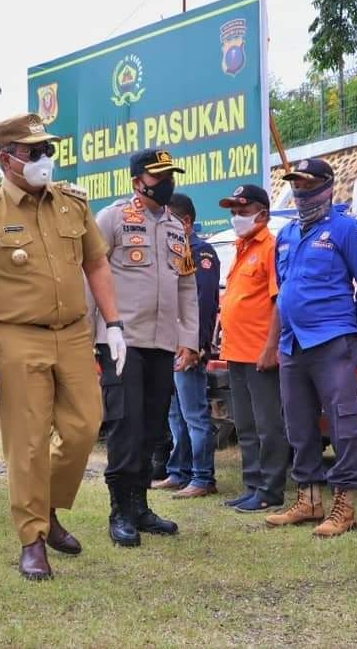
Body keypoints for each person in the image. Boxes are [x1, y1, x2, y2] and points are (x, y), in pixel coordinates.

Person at [0, 113, 124, 581]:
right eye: (33, 152)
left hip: (72, 333)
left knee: (85, 426)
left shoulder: (71, 203)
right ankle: (32, 538)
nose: (44, 159)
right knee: (27, 443)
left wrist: (114, 324)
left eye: (48, 150)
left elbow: (97, 266)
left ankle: (46, 509)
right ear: (6, 159)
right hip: (15, 336)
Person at [263, 158, 357, 538]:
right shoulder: (284, 235)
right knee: (297, 421)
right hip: (293, 342)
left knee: (343, 422)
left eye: (308, 184)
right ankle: (309, 499)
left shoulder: (347, 229)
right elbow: (284, 292)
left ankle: (344, 505)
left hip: (332, 340)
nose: (301, 192)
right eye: (295, 184)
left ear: (328, 187)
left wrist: (346, 323)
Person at [93, 148, 199, 548]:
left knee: (153, 426)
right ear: (138, 181)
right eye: (159, 176)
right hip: (120, 340)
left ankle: (139, 506)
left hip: (161, 342)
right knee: (125, 423)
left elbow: (187, 286)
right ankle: (119, 509)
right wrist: (90, 338)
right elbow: (91, 277)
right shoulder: (112, 218)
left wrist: (189, 338)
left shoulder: (175, 227)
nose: (167, 182)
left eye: (171, 175)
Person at [216, 184, 291, 513]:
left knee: (267, 424)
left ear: (262, 213)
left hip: (260, 352)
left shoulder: (270, 248)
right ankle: (252, 485)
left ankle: (271, 489)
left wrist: (271, 346)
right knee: (245, 424)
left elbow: (278, 302)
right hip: (236, 352)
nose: (236, 217)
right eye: (233, 212)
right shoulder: (241, 247)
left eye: (242, 211)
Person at [153, 193, 221, 498]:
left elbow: (204, 303)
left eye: (169, 220)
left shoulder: (200, 253)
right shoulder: (170, 251)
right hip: (166, 344)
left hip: (187, 347)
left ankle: (202, 477)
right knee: (174, 415)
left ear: (186, 222)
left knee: (194, 415)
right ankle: (178, 472)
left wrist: (196, 346)